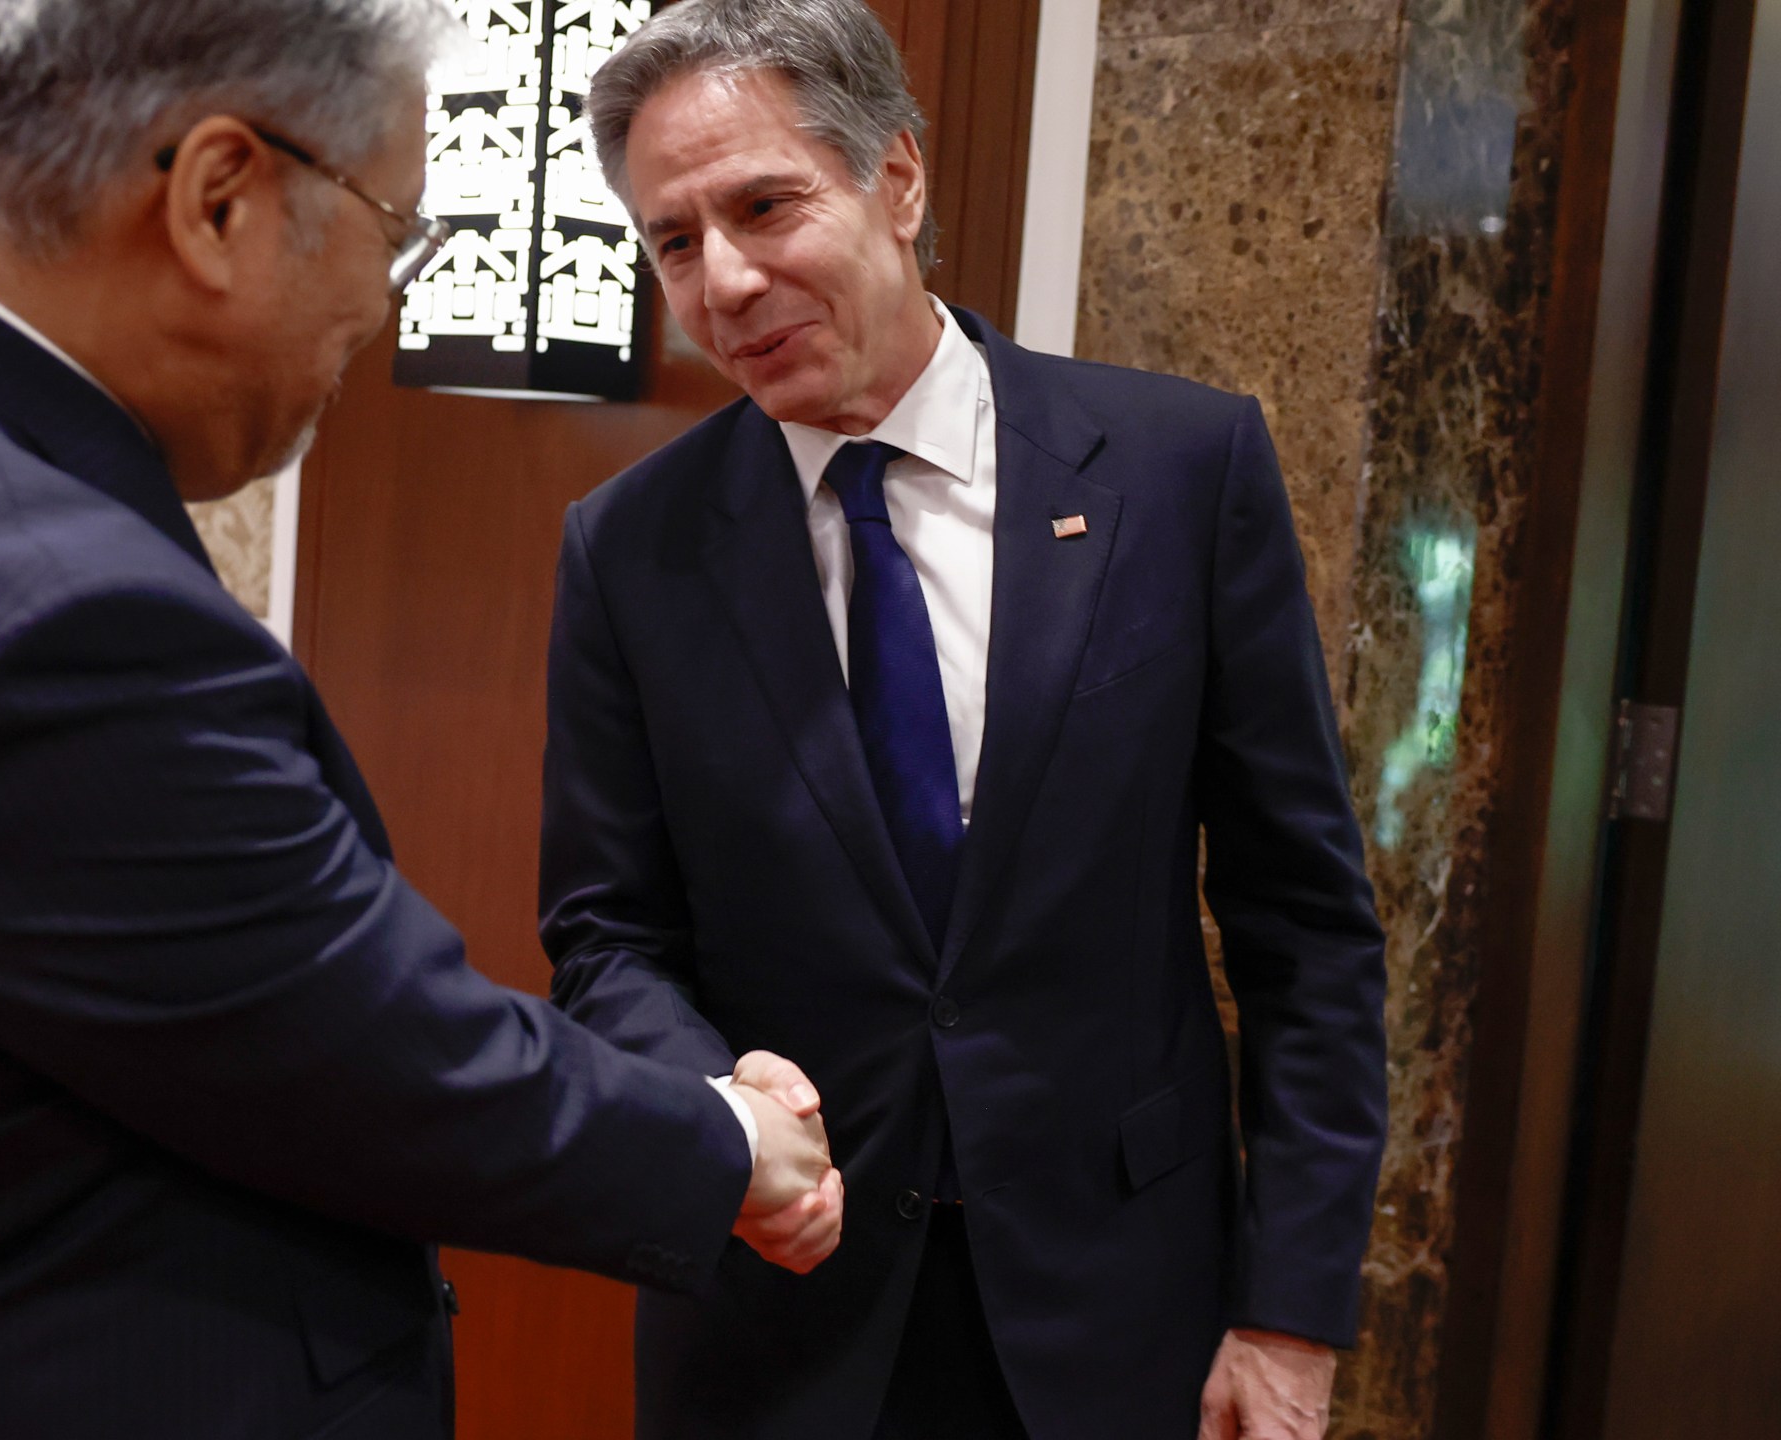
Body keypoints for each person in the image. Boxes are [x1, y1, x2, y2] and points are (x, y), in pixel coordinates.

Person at [0, 3, 844, 1436]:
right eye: (391, 226)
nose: (392, 298)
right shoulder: (53, 623)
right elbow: (384, 1062)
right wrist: (730, 1146)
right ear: (222, 197)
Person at [540, 2, 1390, 1437]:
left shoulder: (1180, 473)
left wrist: (1291, 1315)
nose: (726, 281)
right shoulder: (630, 549)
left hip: (1123, 1309)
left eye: (764, 205)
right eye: (675, 241)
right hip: (780, 1317)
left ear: (901, 180)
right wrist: (715, 1103)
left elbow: (1304, 927)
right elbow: (607, 931)